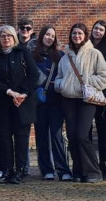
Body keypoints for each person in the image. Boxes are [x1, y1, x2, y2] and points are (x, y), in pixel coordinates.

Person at [53, 23, 106, 183]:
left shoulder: (94, 54)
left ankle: (93, 171)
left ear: (85, 35)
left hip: (86, 100)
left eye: (80, 33)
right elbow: (58, 77)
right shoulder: (65, 58)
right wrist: (61, 85)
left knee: (82, 135)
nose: (77, 36)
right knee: (72, 136)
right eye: (74, 33)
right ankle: (78, 170)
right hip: (68, 100)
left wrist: (86, 81)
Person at [0, 25, 38, 184]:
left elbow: (33, 74)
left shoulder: (23, 52)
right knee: (4, 137)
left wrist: (23, 93)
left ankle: (20, 170)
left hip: (23, 102)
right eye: (2, 36)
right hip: (4, 102)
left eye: (9, 35)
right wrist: (9, 92)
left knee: (21, 138)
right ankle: (7, 169)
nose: (6, 38)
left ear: (14, 37)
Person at [32, 24, 71, 181]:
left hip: (56, 101)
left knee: (56, 135)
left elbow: (65, 75)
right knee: (41, 136)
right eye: (47, 34)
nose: (49, 38)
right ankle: (46, 169)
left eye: (52, 36)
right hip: (39, 101)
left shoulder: (60, 55)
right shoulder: (33, 55)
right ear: (42, 35)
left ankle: (62, 169)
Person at [89, 20, 106, 178]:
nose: (98, 31)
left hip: (102, 93)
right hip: (87, 92)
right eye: (96, 28)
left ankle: (102, 163)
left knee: (102, 129)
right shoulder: (86, 46)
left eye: (101, 29)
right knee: (87, 130)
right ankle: (90, 162)